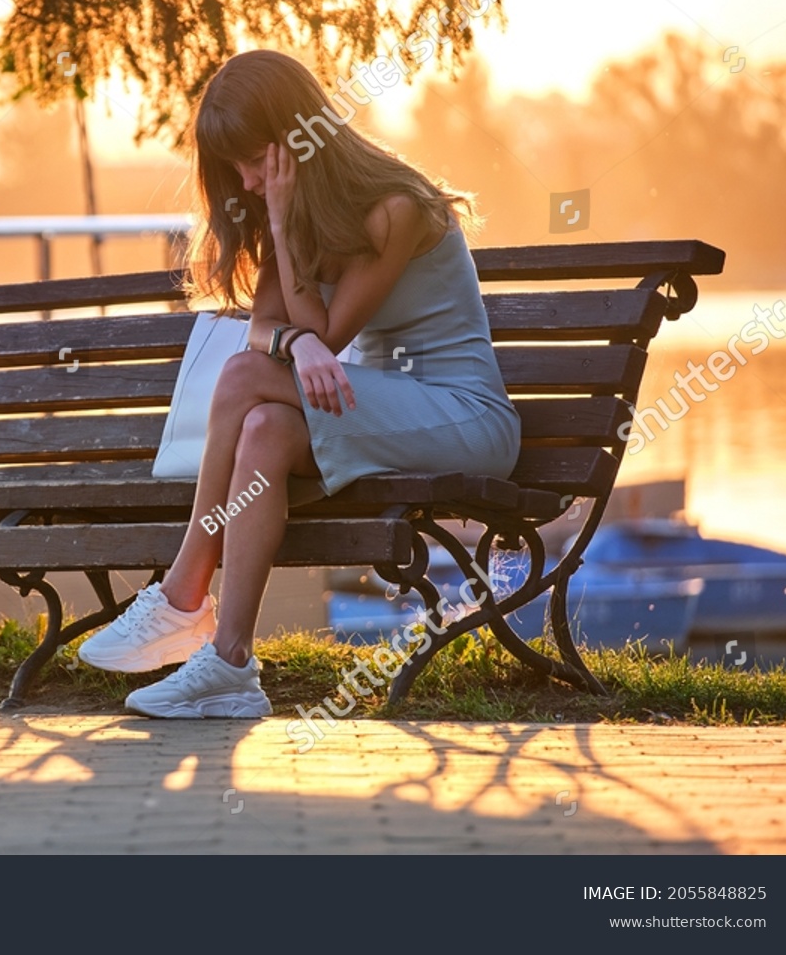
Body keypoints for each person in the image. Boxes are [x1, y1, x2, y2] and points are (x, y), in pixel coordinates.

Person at [76, 50, 521, 717]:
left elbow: (327, 334)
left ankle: (181, 593)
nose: (251, 184)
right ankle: (230, 664)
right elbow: (269, 330)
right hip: (372, 405)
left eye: (257, 161)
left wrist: (285, 233)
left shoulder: (395, 209)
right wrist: (298, 334)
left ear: (300, 138)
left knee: (244, 380)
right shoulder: (297, 215)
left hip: (463, 415)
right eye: (238, 169)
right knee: (262, 426)